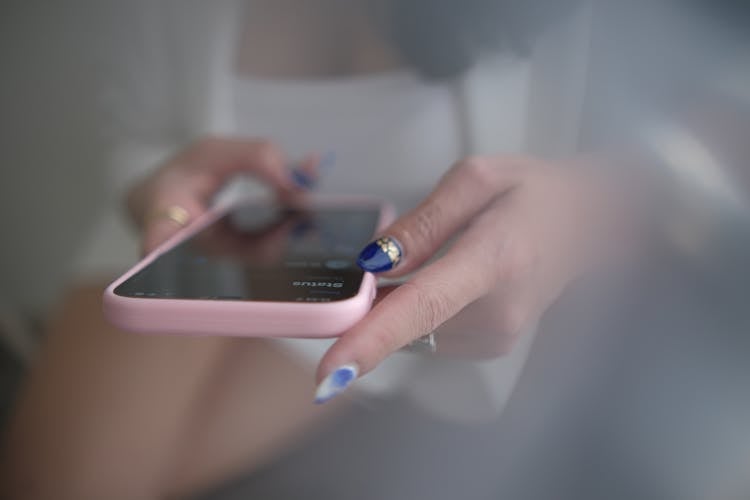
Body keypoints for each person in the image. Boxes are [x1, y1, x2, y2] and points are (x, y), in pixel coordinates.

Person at [0, 1, 679, 498]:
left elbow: (717, 127)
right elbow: (137, 130)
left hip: (393, 273)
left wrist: (583, 208)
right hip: (203, 233)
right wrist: (158, 191)